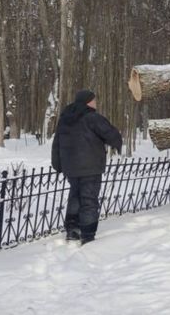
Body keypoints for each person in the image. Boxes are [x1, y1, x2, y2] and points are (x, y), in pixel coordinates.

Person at [51, 90, 122, 244]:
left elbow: (57, 142)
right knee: (89, 199)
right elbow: (110, 133)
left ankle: (72, 230)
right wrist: (117, 142)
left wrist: (57, 163)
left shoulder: (65, 118)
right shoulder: (93, 118)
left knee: (75, 196)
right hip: (90, 166)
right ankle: (88, 234)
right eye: (94, 100)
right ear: (87, 101)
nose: (96, 103)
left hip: (71, 167)